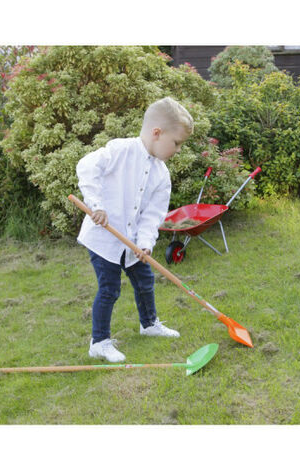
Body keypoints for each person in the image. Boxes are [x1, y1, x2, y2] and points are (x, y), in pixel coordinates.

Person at [76, 97, 194, 362]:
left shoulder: (162, 175)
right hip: (104, 240)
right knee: (109, 289)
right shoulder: (120, 150)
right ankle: (99, 342)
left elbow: (153, 214)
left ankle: (149, 324)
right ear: (157, 133)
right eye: (176, 143)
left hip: (133, 243)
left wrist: (146, 243)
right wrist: (97, 205)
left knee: (145, 280)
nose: (177, 150)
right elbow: (86, 167)